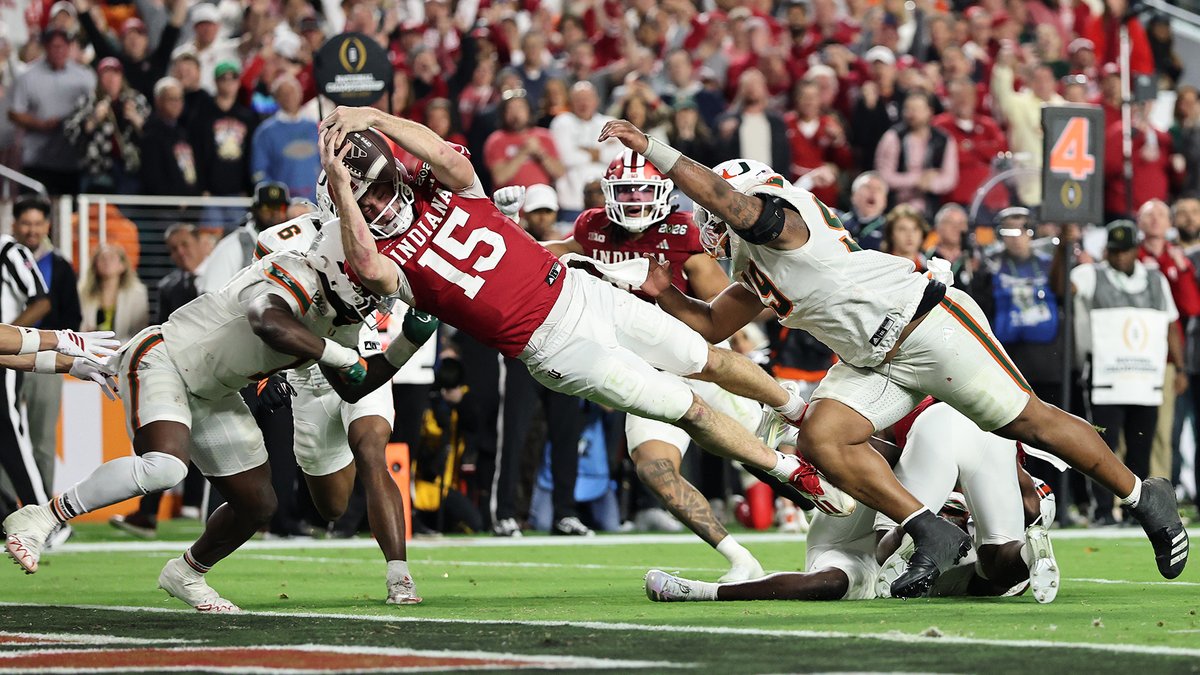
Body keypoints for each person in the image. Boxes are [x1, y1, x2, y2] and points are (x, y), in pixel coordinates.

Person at [595, 119, 1189, 597]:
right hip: (871, 359)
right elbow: (709, 323)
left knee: (1027, 419)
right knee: (821, 440)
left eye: (715, 209)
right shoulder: (755, 261)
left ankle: (1142, 494)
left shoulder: (783, 219)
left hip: (925, 323)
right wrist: (661, 290)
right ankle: (926, 527)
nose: (709, 223)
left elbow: (724, 198)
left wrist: (651, 147)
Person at [316, 108, 849, 526]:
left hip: (585, 297)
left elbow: (441, 154)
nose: (381, 203)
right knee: (682, 416)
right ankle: (780, 484)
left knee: (705, 362)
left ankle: (799, 417)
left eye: (384, 186)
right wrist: (344, 187)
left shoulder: (450, 188)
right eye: (366, 201)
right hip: (552, 341)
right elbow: (372, 264)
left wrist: (374, 117)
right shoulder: (386, 262)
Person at [2, 239, 431, 610]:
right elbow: (270, 323)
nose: (373, 298)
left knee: (258, 505)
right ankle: (42, 517)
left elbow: (354, 386)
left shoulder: (340, 320)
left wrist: (406, 344)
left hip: (214, 392)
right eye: (367, 284)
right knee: (165, 467)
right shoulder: (291, 271)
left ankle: (187, 573)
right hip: (164, 358)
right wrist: (339, 356)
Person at [533, 149, 768, 580]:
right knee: (653, 468)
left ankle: (847, 514)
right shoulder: (592, 228)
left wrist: (745, 346)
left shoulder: (682, 232)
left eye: (643, 189)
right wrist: (513, 229)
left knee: (767, 452)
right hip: (647, 372)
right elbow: (550, 253)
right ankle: (739, 558)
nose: (636, 199)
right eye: (627, 191)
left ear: (663, 193)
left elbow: (719, 308)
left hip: (698, 362)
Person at [645, 401, 1057, 604]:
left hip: (889, 536)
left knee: (838, 581)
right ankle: (1017, 550)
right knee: (990, 565)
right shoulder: (977, 447)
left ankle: (700, 592)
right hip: (871, 511)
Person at [1071, 220, 1185, 526]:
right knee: (1101, 446)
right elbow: (1063, 288)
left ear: (1136, 250)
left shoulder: (1155, 278)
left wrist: (1180, 366)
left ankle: (1138, 512)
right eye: (1115, 251)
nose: (1120, 257)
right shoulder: (1091, 274)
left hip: (1144, 376)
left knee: (1141, 446)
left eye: (1126, 251)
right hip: (1106, 375)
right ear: (1106, 251)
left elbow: (1171, 323)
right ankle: (1104, 510)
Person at [110, 223, 206, 537]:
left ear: (199, 241)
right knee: (165, 442)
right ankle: (149, 514)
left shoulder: (225, 273)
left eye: (184, 244)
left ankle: (220, 508)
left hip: (225, 374)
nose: (181, 253)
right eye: (173, 249)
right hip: (183, 373)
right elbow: (163, 331)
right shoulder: (169, 286)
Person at [11, 197, 81, 497]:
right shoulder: (7, 258)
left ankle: (43, 513)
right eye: (26, 223)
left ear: (48, 226)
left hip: (43, 358)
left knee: (41, 439)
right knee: (6, 437)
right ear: (14, 224)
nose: (32, 229)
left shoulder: (60, 266)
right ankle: (6, 512)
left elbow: (71, 315)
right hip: (6, 358)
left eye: (38, 223)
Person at [1137, 200, 1200, 482]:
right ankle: (1122, 497)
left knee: (1166, 431)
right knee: (1132, 430)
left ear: (1168, 224)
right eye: (1149, 215)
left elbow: (1190, 307)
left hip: (1168, 356)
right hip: (1132, 351)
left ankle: (1162, 495)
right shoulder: (1128, 254)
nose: (1154, 220)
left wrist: (1181, 269)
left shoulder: (1177, 260)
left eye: (1161, 215)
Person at [0, 232, 52, 518]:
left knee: (9, 429)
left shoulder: (7, 249)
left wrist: (9, 338)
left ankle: (44, 516)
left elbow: (41, 301)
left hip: (3, 357)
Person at [7, 28, 96, 195]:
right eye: (54, 47)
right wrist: (39, 124)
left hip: (71, 160)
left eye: (62, 46)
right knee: (34, 210)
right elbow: (13, 113)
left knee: (71, 215)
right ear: (45, 47)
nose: (59, 51)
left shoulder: (84, 76)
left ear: (69, 47)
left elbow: (92, 109)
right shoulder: (27, 75)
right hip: (36, 160)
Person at [63, 57, 149, 194]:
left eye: (115, 74)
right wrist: (93, 120)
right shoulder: (87, 102)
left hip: (130, 169)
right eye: (106, 75)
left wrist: (134, 118)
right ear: (99, 79)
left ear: (121, 77)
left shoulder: (136, 100)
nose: (111, 79)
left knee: (127, 211)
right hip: (97, 171)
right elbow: (70, 134)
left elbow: (152, 134)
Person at [196, 182, 290, 295]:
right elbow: (209, 294)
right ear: (255, 210)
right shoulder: (234, 245)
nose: (275, 213)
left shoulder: (293, 243)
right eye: (267, 207)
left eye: (281, 207)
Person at [874, 92, 958, 218]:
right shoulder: (892, 137)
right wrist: (917, 180)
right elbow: (884, 176)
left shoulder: (944, 140)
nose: (911, 114)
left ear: (929, 111)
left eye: (917, 109)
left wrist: (930, 184)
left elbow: (950, 179)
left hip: (931, 210)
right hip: (897, 208)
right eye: (908, 109)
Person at [550, 82, 624, 218]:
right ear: (570, 102)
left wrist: (588, 151)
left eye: (587, 98)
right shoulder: (561, 122)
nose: (583, 103)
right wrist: (601, 151)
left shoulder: (609, 122)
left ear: (597, 100)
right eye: (579, 99)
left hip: (608, 202)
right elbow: (566, 158)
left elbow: (619, 156)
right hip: (572, 201)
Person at [250, 76, 320, 201]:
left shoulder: (315, 128)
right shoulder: (265, 133)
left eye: (293, 92)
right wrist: (276, 198)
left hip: (316, 203)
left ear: (300, 94)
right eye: (284, 93)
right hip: (281, 207)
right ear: (276, 97)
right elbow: (259, 172)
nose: (289, 97)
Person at [483, 88, 565, 190]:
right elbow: (499, 178)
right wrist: (523, 152)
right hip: (509, 200)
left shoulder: (544, 136)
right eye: (510, 109)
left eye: (520, 108)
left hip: (541, 199)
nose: (516, 113)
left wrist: (541, 153)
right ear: (503, 114)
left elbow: (560, 172)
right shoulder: (496, 140)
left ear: (529, 111)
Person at [139, 76, 199, 196]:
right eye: (172, 99)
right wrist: (176, 199)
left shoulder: (184, 133)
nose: (176, 104)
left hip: (190, 206)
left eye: (179, 99)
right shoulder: (151, 135)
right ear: (158, 101)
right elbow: (153, 178)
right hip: (165, 208)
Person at [78, 245, 149, 343]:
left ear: (122, 266)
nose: (107, 262)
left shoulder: (137, 294)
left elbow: (139, 332)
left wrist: (116, 345)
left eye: (111, 258)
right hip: (89, 349)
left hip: (125, 350)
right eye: (102, 258)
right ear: (95, 265)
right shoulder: (82, 292)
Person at [840, 171, 889, 251]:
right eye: (867, 187)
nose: (873, 191)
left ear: (885, 201)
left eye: (878, 189)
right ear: (853, 196)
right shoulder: (838, 221)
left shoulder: (889, 229)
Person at [881, 205, 929, 272]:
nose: (910, 235)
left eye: (915, 229)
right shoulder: (881, 268)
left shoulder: (931, 270)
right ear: (891, 234)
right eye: (902, 229)